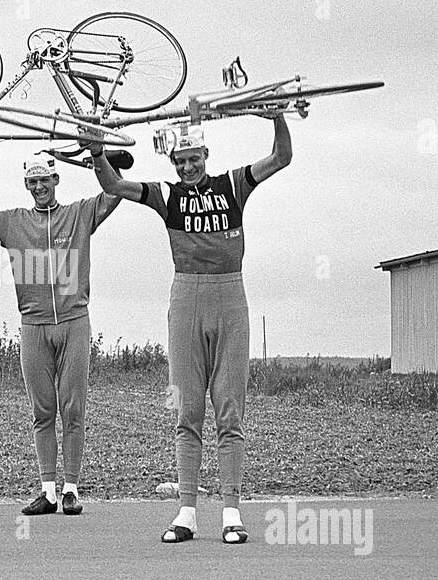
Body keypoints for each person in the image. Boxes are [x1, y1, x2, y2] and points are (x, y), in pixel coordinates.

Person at [92, 116, 292, 543]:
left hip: (230, 298)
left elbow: (282, 157)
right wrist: (95, 151)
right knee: (186, 410)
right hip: (186, 298)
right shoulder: (168, 195)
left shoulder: (234, 184)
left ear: (206, 155)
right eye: (180, 161)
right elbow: (114, 186)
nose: (188, 168)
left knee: (230, 410)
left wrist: (277, 116)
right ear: (174, 161)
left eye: (194, 159)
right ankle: (186, 512)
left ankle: (232, 513)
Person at [0, 149, 123, 517]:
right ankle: (48, 491)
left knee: (73, 409)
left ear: (56, 181)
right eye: (33, 181)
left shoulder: (79, 214)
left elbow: (115, 192)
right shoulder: (13, 222)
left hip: (74, 322)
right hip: (33, 325)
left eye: (45, 180)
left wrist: (104, 158)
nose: (40, 187)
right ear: (26, 184)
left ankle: (70, 489)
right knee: (42, 411)